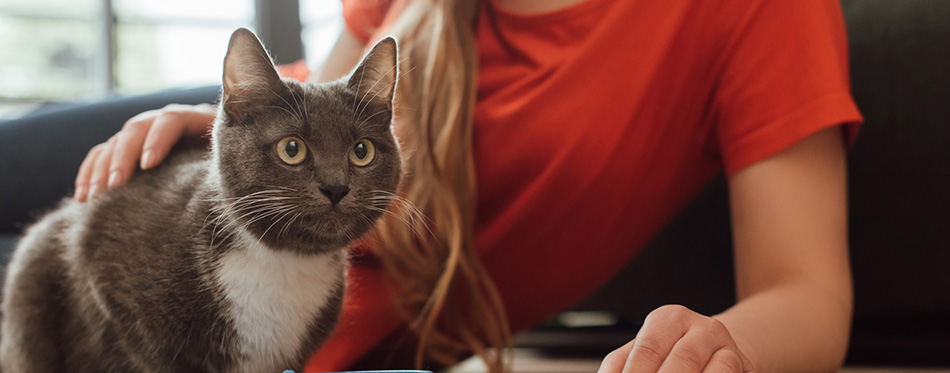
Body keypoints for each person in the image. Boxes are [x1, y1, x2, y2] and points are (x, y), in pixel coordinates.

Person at [71, 0, 863, 371]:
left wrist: (729, 344)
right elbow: (328, 93)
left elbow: (807, 289)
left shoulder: (758, 11)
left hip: (273, 306)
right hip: (207, 160)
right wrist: (223, 123)